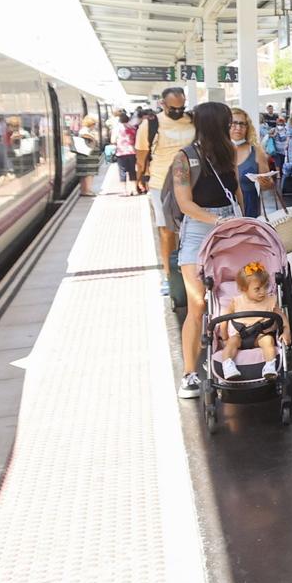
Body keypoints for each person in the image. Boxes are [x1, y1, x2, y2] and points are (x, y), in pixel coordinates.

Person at [170, 101, 245, 398]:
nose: (232, 127)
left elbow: (235, 189)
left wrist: (242, 219)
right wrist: (216, 220)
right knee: (197, 303)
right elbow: (184, 202)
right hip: (199, 227)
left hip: (230, 222)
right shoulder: (183, 158)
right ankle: (189, 373)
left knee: (232, 296)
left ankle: (229, 357)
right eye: (227, 122)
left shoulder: (230, 152)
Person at [137, 87, 198, 299]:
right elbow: (141, 155)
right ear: (163, 104)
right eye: (173, 108)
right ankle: (169, 275)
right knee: (166, 231)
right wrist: (140, 179)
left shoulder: (192, 120)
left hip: (193, 181)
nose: (178, 111)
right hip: (161, 182)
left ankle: (193, 270)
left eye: (181, 107)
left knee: (192, 229)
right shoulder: (151, 124)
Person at [217, 261, 287, 380]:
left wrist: (286, 331)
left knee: (268, 342)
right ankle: (228, 365)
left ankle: (269, 366)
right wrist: (224, 336)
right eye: (257, 289)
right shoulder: (236, 302)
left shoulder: (270, 301)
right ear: (244, 289)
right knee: (231, 343)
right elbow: (225, 318)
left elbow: (283, 318)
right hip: (240, 335)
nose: (263, 292)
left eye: (265, 287)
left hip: (261, 335)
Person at [230, 107, 279, 218]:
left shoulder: (256, 151)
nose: (238, 128)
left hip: (249, 212)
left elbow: (268, 182)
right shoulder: (216, 152)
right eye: (233, 123)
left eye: (242, 124)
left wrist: (266, 183)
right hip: (222, 215)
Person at [74, 115, 102, 196]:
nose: (95, 126)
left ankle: (85, 190)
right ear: (91, 124)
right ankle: (87, 190)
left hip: (86, 157)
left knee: (85, 175)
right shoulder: (85, 131)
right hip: (87, 158)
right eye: (94, 124)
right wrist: (93, 139)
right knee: (88, 174)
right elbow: (86, 137)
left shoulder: (84, 130)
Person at [114, 110, 138, 194]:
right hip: (132, 152)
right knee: (132, 170)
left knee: (122, 171)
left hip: (121, 152)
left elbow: (113, 140)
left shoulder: (117, 128)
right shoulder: (133, 127)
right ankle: (134, 190)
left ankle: (124, 191)